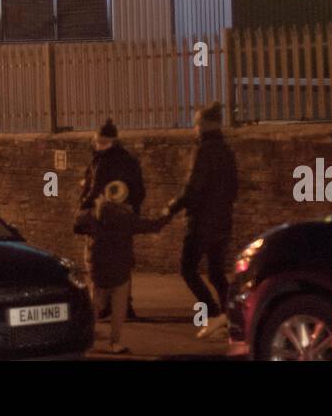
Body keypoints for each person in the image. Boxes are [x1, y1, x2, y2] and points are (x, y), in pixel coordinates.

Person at [165, 102, 239, 340]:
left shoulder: (203, 151)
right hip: (222, 222)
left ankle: (214, 315)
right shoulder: (227, 152)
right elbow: (234, 189)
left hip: (201, 223)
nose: (194, 129)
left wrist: (172, 207)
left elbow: (192, 188)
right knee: (217, 273)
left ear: (204, 126)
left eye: (196, 124)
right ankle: (231, 318)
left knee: (187, 269)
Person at [73, 180, 170, 354]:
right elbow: (153, 226)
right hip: (120, 267)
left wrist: (87, 199)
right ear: (124, 198)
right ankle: (115, 343)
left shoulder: (94, 213)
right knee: (119, 308)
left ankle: (86, 340)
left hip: (99, 267)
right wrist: (167, 213)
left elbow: (77, 226)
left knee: (95, 305)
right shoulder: (127, 218)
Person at [79, 119, 146, 319]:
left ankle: (102, 305)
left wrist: (83, 205)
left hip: (102, 219)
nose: (99, 144)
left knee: (96, 261)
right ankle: (123, 305)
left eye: (101, 141)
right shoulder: (128, 159)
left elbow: (95, 189)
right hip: (123, 218)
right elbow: (139, 190)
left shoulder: (102, 161)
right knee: (122, 262)